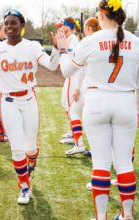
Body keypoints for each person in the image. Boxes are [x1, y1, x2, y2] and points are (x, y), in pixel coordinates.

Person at [57, 0, 139, 218]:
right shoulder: (137, 42)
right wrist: (137, 110)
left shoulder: (91, 41)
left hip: (97, 102)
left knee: (101, 164)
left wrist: (62, 50)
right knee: (125, 163)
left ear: (101, 13)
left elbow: (66, 71)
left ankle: (101, 217)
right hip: (126, 102)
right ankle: (127, 216)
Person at [0, 9, 60, 205]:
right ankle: (24, 187)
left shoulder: (32, 46)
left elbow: (52, 65)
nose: (9, 27)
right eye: (6, 23)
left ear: (22, 26)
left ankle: (31, 162)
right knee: (17, 147)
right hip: (8, 102)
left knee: (30, 147)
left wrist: (57, 49)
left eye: (13, 23)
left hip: (29, 100)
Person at [65, 17, 100, 156]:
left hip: (89, 85)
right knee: (99, 121)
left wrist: (78, 87)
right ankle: (97, 149)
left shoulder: (86, 42)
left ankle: (79, 143)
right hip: (106, 89)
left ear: (88, 28)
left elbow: (79, 69)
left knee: (74, 111)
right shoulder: (107, 41)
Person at [55, 17, 83, 145]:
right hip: (71, 76)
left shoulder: (72, 39)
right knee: (66, 103)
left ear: (67, 26)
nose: (59, 28)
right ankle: (73, 133)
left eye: (62, 25)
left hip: (73, 76)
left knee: (69, 105)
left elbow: (70, 61)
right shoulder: (70, 39)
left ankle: (76, 137)